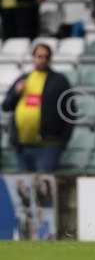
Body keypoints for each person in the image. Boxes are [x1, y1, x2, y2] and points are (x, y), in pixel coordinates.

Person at [2, 44, 76, 172]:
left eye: (46, 57)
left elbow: (70, 111)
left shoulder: (59, 80)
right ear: (33, 58)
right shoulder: (23, 79)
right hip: (23, 145)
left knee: (44, 186)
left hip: (49, 146)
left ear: (50, 59)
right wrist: (15, 92)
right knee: (24, 187)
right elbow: (6, 106)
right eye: (39, 56)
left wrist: (63, 141)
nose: (42, 59)